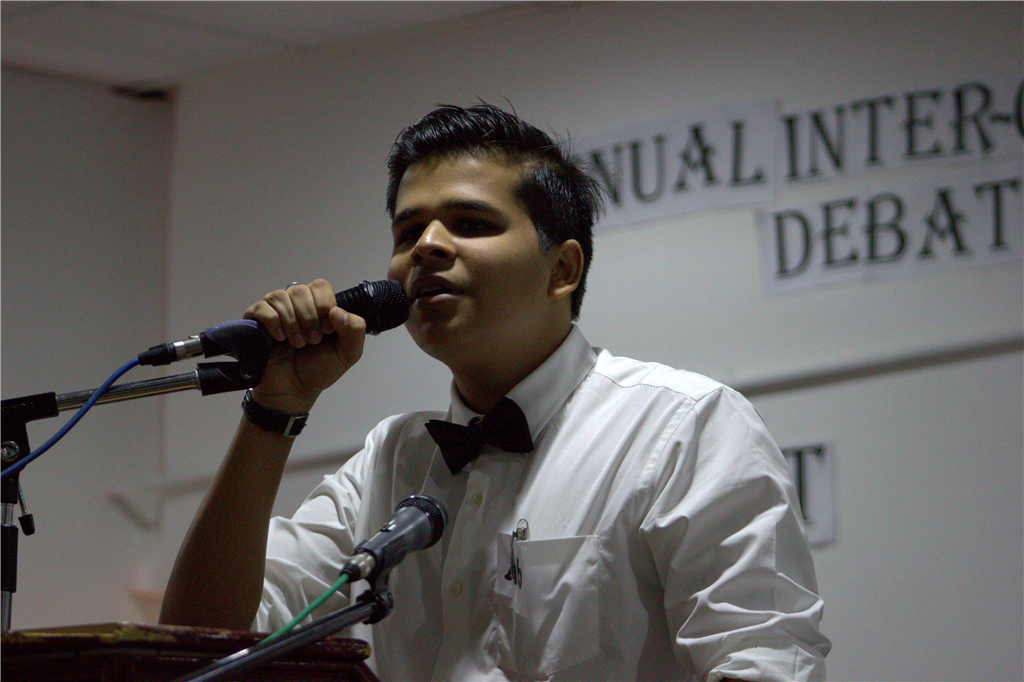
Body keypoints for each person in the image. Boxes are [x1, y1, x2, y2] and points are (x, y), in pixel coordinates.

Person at [160, 103, 831, 681]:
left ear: (562, 268)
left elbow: (763, 662)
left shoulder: (683, 427)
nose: (426, 247)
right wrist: (274, 410)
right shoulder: (390, 461)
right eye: (407, 232)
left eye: (471, 224)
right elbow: (197, 645)